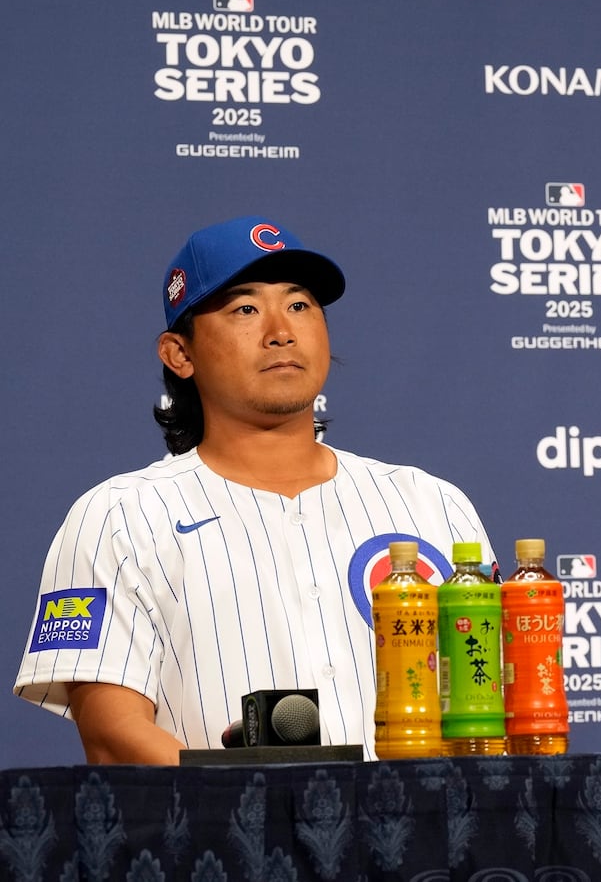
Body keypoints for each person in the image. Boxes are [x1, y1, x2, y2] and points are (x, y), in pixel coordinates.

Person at [14, 216, 496, 763]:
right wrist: (253, 806)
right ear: (180, 354)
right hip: (226, 839)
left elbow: (492, 704)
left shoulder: (431, 503)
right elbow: (112, 735)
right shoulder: (119, 516)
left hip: (428, 839)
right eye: (245, 309)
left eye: (299, 306)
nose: (280, 331)